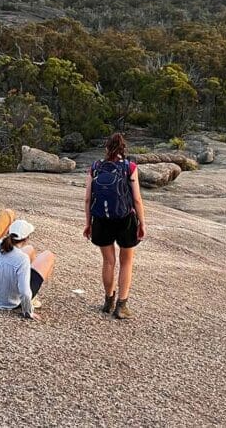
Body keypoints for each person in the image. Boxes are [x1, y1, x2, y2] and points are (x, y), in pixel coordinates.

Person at [83, 133, 146, 319]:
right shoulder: (129, 167)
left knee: (108, 261)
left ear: (106, 148)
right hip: (125, 218)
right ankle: (122, 305)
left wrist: (88, 223)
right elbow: (136, 198)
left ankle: (108, 301)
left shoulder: (95, 167)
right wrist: (142, 223)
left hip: (101, 219)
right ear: (123, 149)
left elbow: (88, 198)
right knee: (126, 261)